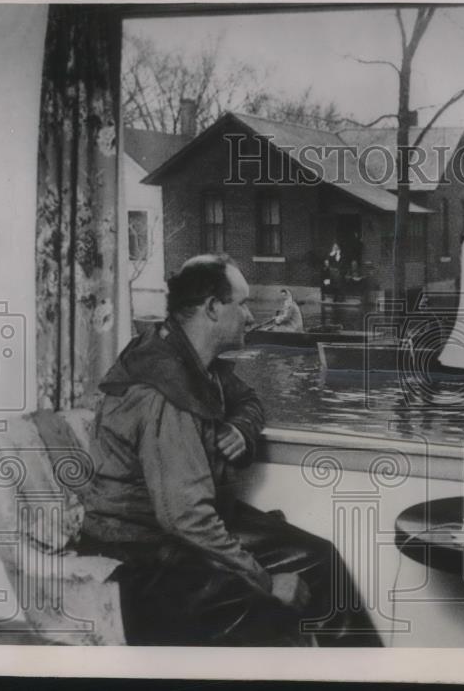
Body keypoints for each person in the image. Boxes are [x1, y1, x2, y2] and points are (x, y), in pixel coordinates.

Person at [77, 254, 381, 647]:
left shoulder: (195, 363)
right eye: (243, 304)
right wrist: (267, 580)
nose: (251, 317)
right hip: (143, 551)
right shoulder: (163, 388)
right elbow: (185, 519)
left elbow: (250, 401)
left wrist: (242, 428)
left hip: (183, 529)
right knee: (266, 604)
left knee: (321, 558)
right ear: (213, 308)